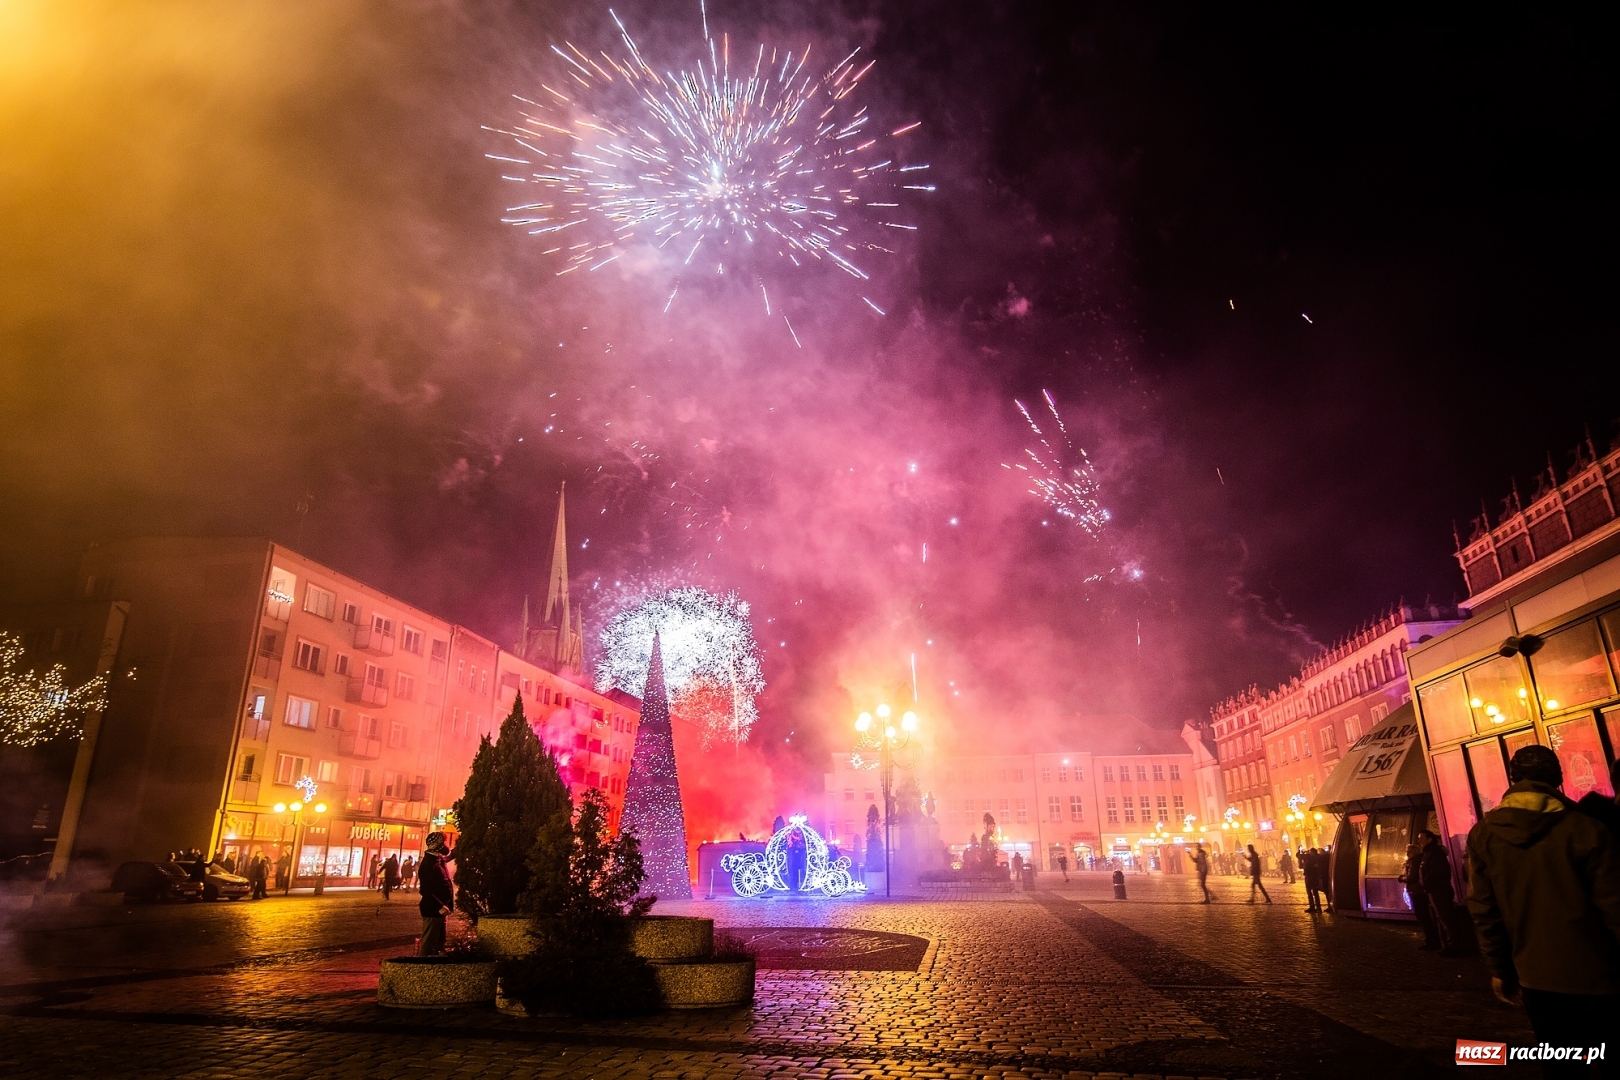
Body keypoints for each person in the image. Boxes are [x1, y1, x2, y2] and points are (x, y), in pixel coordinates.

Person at [1467, 744, 1620, 1069]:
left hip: (1533, 976)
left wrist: (1500, 969)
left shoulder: (1485, 835)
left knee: (1559, 1063)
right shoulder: (1586, 829)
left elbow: (1484, 910)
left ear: (1513, 778)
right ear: (1558, 779)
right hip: (1599, 973)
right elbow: (1614, 907)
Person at [1416, 830, 1470, 955]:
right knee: (1442, 918)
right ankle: (1447, 945)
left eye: (1421, 838)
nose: (1419, 841)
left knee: (1446, 918)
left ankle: (1454, 946)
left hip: (1438, 890)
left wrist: (1427, 883)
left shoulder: (1434, 853)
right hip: (1434, 890)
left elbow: (1437, 872)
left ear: (1429, 839)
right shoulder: (1429, 852)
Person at [416, 832, 455, 956]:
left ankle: (435, 964)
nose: (445, 845)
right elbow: (425, 890)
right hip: (433, 910)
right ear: (436, 844)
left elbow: (448, 857)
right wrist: (440, 906)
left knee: (439, 941)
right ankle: (422, 966)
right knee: (429, 941)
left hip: (441, 909)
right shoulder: (428, 864)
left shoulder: (437, 859)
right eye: (442, 842)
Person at [1401, 842, 1438, 949]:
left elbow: (1411, 877)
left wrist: (1401, 878)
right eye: (1406, 852)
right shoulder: (1417, 860)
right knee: (1424, 915)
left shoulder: (1414, 862)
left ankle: (1431, 940)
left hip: (1417, 892)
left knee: (1422, 915)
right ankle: (1432, 939)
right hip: (1419, 891)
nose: (1407, 854)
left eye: (1409, 852)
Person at [1304, 848, 1327, 913]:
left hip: (1312, 876)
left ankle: (1316, 907)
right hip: (1310, 876)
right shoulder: (1311, 858)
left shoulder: (1315, 858)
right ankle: (1314, 906)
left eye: (1310, 852)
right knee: (1311, 892)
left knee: (1313, 892)